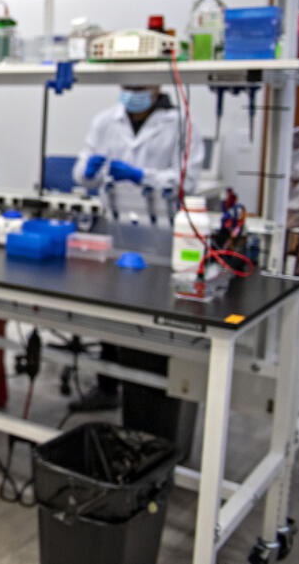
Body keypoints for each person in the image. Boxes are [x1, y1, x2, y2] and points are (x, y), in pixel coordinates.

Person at [69, 84, 204, 412]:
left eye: (139, 87)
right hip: (113, 227)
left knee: (152, 312)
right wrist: (88, 172)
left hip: (159, 232)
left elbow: (188, 180)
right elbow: (81, 172)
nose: (132, 93)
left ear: (157, 87)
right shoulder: (105, 120)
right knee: (111, 308)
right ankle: (107, 387)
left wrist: (143, 176)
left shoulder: (182, 124)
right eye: (127, 87)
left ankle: (150, 393)